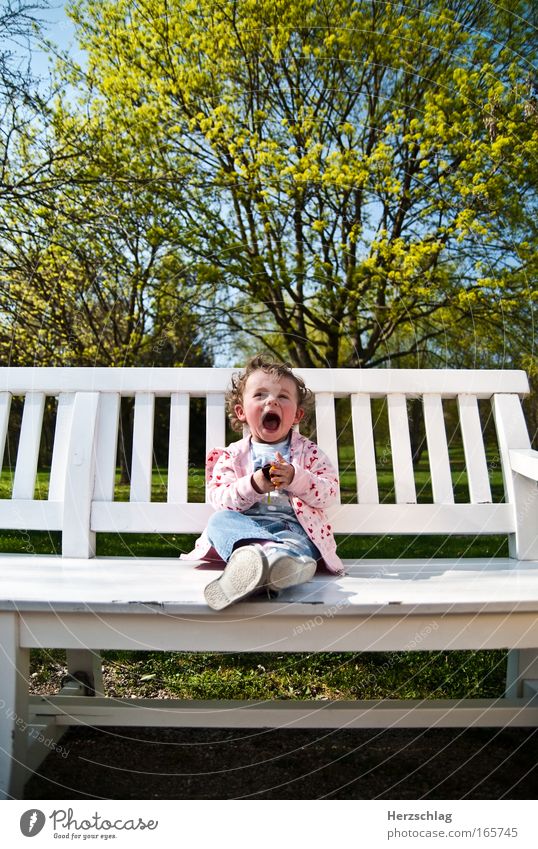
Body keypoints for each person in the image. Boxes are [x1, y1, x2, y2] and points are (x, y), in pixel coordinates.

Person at [184, 355, 344, 609]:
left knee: (298, 545)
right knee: (219, 521)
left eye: (283, 396)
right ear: (241, 412)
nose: (271, 400)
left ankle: (262, 570)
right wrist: (254, 484)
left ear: (296, 415)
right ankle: (274, 568)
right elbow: (221, 499)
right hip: (245, 530)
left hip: (293, 531)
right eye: (260, 395)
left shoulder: (309, 453)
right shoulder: (231, 456)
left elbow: (330, 492)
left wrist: (295, 477)